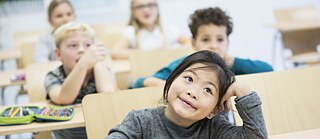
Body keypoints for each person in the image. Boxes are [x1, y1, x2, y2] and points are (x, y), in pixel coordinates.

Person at [107, 50, 268, 138]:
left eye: (208, 90)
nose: (192, 92)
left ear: (214, 110)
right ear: (171, 79)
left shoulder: (215, 129)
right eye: (189, 79)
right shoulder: (140, 122)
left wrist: (243, 91)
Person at [132, 7, 273, 88]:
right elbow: (139, 83)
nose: (213, 45)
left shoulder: (232, 65)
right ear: (193, 43)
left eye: (220, 39)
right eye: (205, 39)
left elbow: (268, 70)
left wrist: (232, 62)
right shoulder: (185, 64)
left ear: (227, 42)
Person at [44, 22, 118, 139]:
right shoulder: (54, 76)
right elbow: (64, 98)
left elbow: (108, 96)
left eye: (88, 45)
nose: (82, 50)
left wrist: (97, 62)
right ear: (58, 54)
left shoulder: (102, 71)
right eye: (73, 45)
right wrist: (83, 64)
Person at [111, 0, 191, 60]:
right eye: (140, 7)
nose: (146, 10)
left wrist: (170, 51)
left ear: (157, 9)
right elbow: (115, 52)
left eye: (150, 5)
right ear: (133, 13)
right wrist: (149, 53)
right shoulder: (130, 32)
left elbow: (191, 44)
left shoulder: (169, 30)